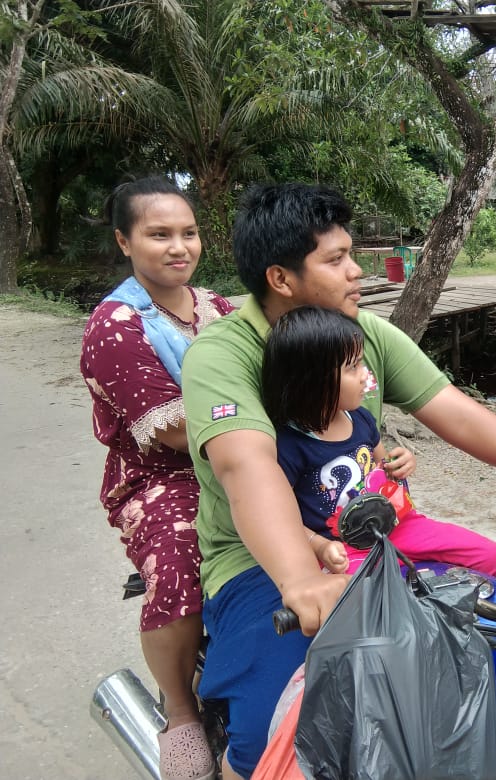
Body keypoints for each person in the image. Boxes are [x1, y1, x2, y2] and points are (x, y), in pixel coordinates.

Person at [180, 182, 496, 779]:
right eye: (336, 259)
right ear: (281, 278)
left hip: (371, 540)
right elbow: (247, 464)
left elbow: (457, 413)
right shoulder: (223, 354)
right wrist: (300, 578)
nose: (356, 271)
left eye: (352, 254)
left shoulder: (361, 334)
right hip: (260, 562)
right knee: (277, 729)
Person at [80, 176, 235, 780]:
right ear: (125, 241)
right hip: (164, 476)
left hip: (242, 451)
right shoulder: (114, 327)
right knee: (179, 554)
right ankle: (180, 710)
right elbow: (174, 433)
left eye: (189, 233)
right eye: (159, 234)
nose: (179, 247)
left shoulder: (218, 307)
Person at [261, 304, 496, 576]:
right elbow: (279, 516)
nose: (365, 374)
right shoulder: (289, 445)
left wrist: (400, 464)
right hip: (343, 548)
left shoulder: (361, 418)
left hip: (396, 526)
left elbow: (384, 469)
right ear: (312, 381)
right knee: (362, 591)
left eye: (362, 362)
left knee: (490, 556)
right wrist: (318, 546)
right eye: (353, 367)